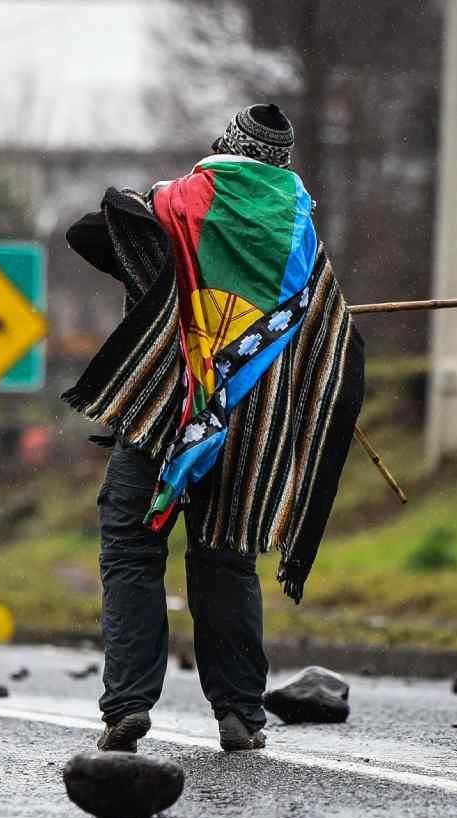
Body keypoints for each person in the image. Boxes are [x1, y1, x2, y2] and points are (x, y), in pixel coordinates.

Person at [62, 104, 366, 753]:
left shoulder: (178, 201)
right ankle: (239, 714)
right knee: (226, 559)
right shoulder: (299, 231)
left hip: (164, 414)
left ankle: (127, 707)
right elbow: (323, 334)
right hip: (248, 429)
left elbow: (87, 233)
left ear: (224, 146)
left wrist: (152, 273)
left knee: (133, 548)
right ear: (281, 164)